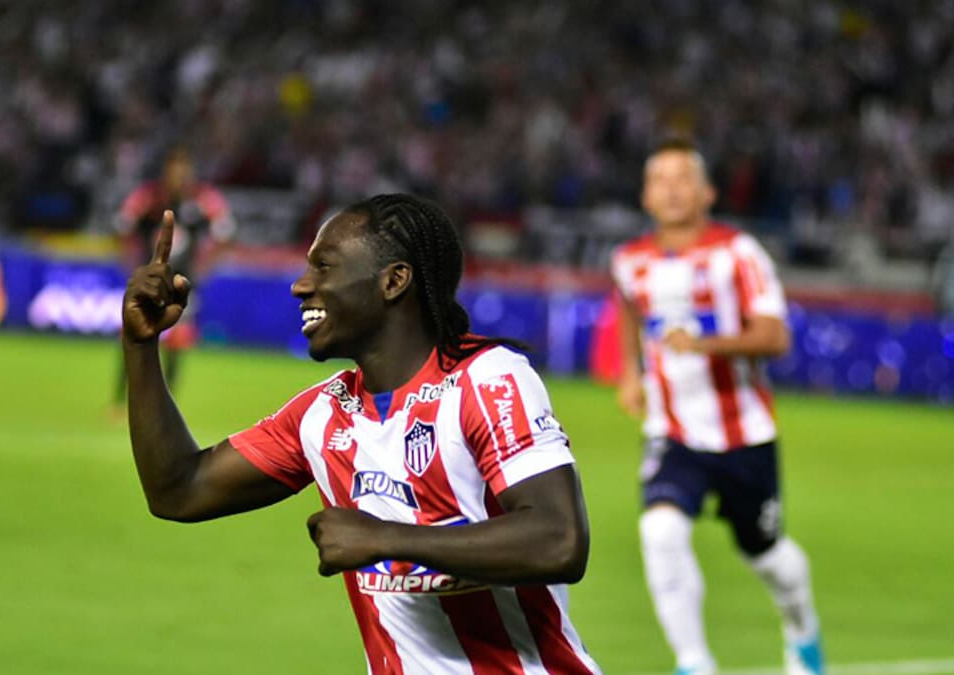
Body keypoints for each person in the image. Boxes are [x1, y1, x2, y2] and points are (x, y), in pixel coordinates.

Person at [123, 194, 600, 674]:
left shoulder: (487, 380)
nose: (300, 285)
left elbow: (557, 539)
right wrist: (141, 344)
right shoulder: (323, 413)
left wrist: (388, 539)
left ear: (393, 281)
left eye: (324, 266)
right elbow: (179, 491)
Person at [611, 139, 824, 675]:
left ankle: (802, 631)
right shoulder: (629, 261)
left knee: (767, 555)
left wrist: (704, 345)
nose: (671, 190)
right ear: (645, 196)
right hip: (671, 431)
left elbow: (775, 337)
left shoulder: (739, 254)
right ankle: (694, 662)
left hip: (743, 432)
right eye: (659, 180)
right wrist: (631, 372)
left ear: (707, 192)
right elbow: (630, 311)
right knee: (660, 531)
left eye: (683, 178)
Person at [112, 148, 233, 409]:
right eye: (175, 170)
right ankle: (121, 400)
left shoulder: (203, 199)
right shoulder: (148, 196)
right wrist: (130, 262)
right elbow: (123, 225)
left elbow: (225, 232)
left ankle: (165, 404)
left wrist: (205, 267)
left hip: (182, 283)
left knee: (177, 341)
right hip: (149, 281)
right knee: (134, 336)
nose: (180, 176)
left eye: (184, 170)